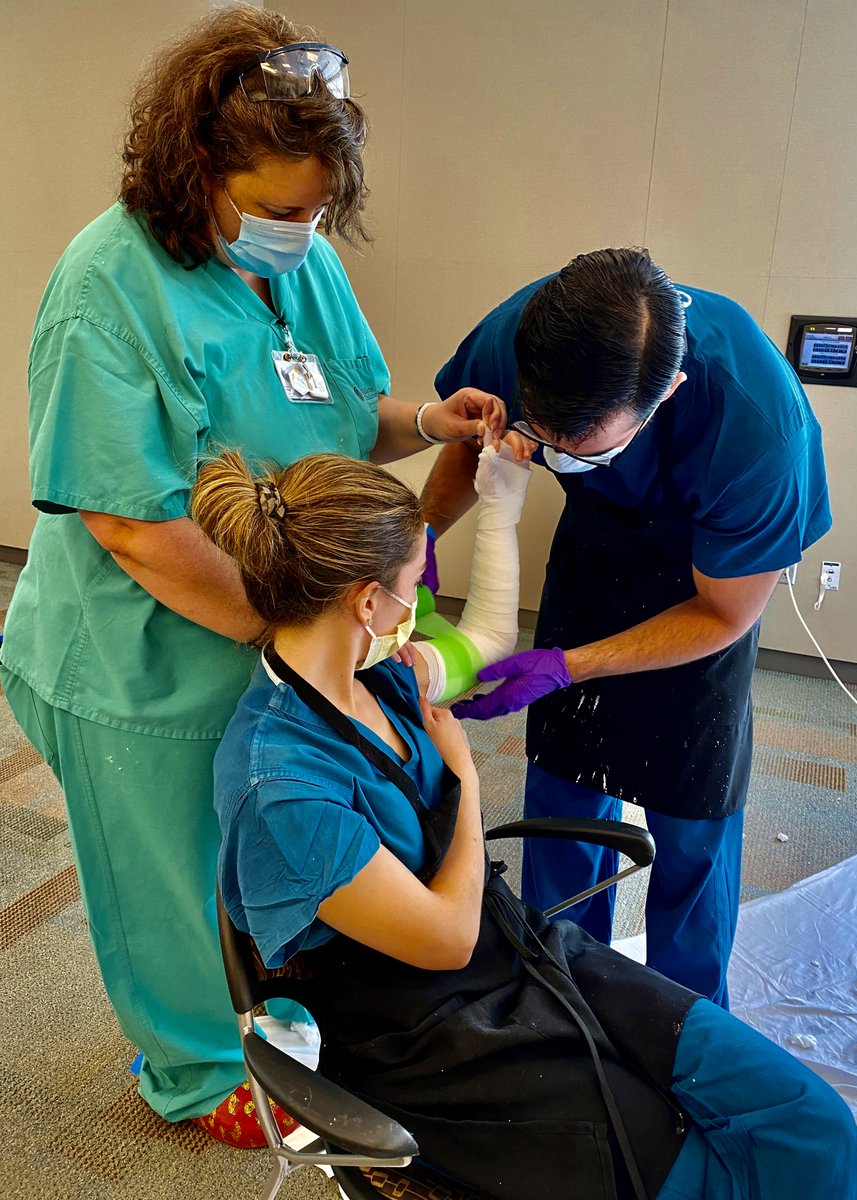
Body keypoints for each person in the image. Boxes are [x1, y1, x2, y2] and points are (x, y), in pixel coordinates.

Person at [0, 6, 501, 1142]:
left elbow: (330, 413)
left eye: (322, 207)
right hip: (140, 653)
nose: (305, 227)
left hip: (268, 626)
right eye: (280, 208)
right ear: (198, 169)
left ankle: (267, 1012)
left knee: (250, 844)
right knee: (168, 869)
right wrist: (302, 650)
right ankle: (187, 1069)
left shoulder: (301, 259)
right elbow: (132, 526)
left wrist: (425, 418)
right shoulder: (107, 290)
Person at [200, 447, 857, 1200]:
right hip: (428, 1031)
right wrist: (468, 778)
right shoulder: (285, 794)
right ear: (365, 602)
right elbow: (445, 941)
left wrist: (502, 497)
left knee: (813, 1126)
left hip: (517, 950)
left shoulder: (381, 674)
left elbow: (485, 638)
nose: (422, 599)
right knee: (700, 1174)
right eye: (415, 582)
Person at [422, 248, 832, 1009]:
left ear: (667, 393)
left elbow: (725, 612)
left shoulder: (756, 426)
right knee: (563, 791)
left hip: (707, 585)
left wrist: (568, 666)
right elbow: (464, 439)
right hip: (598, 552)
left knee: (692, 817)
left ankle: (689, 1026)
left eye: (591, 451)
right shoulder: (521, 334)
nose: (558, 461)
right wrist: (419, 534)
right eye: (548, 440)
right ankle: (562, 996)